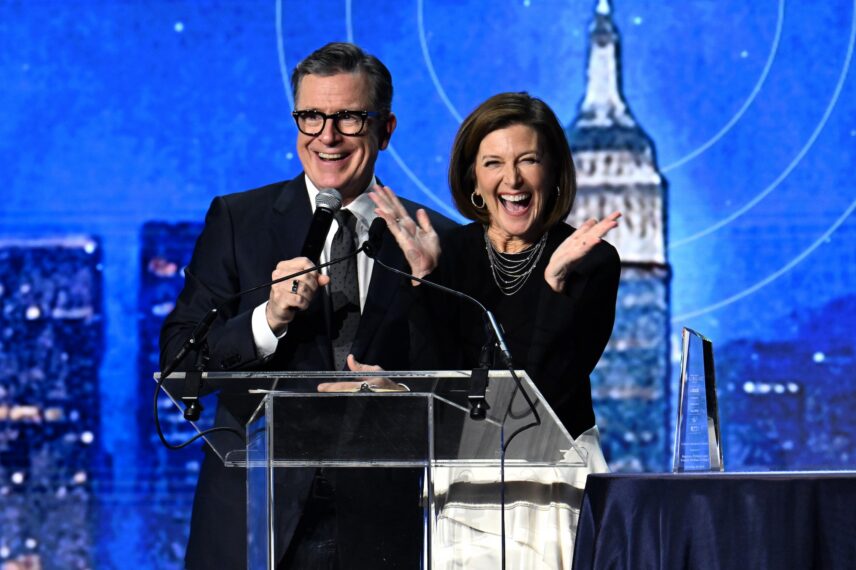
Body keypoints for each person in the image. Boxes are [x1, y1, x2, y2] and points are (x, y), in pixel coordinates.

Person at [160, 42, 454, 569]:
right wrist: (266, 321)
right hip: (255, 512)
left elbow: (468, 392)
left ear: (386, 129)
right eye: (312, 116)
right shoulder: (238, 221)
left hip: (385, 521)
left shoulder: (435, 239)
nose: (327, 136)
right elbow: (181, 364)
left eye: (348, 118)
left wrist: (424, 291)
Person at [370, 91, 621, 568]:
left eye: (529, 160)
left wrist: (554, 284)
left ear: (553, 172)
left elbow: (546, 391)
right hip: (467, 482)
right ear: (474, 180)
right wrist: (424, 282)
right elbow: (438, 379)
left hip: (555, 479)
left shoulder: (590, 258)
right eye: (493, 163)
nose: (513, 179)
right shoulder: (448, 253)